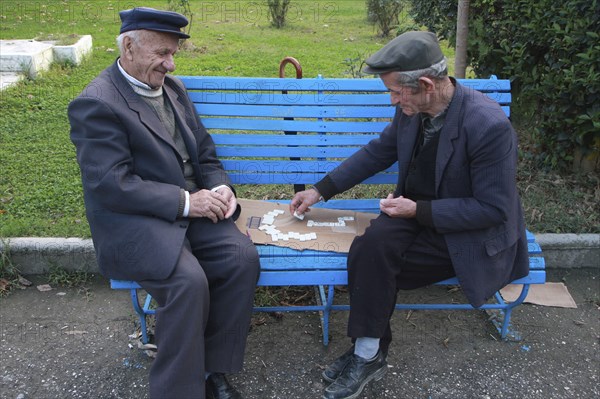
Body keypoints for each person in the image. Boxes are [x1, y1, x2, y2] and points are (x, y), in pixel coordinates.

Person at [290, 31, 529, 399]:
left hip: (468, 232)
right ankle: (369, 353)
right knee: (368, 250)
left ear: (426, 85)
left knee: (374, 266)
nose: (392, 99)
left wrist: (418, 209)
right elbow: (378, 151)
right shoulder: (412, 108)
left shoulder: (488, 125)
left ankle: (366, 352)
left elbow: (493, 209)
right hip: (416, 214)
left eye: (396, 92)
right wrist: (319, 189)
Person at [68, 7, 260, 399]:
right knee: (187, 283)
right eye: (161, 53)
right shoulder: (97, 103)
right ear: (128, 46)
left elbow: (205, 153)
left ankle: (210, 371)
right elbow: (111, 184)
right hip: (135, 220)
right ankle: (177, 391)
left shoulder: (174, 89)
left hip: (192, 211)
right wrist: (187, 201)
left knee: (241, 259)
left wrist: (221, 188)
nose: (170, 64)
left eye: (174, 53)